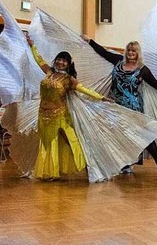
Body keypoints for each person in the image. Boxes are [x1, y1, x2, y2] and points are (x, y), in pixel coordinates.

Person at [84, 36, 157, 175]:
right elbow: (103, 52)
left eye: (134, 51)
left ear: (138, 53)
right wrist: (90, 41)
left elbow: (156, 84)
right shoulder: (118, 61)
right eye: (129, 50)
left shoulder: (142, 69)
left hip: (133, 106)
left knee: (144, 135)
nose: (130, 53)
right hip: (116, 105)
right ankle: (126, 163)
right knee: (120, 136)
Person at [26, 36, 111, 180]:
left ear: (68, 64)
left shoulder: (69, 80)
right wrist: (32, 46)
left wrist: (101, 97)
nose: (60, 62)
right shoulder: (49, 72)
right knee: (47, 143)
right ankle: (50, 172)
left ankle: (91, 166)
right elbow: (38, 59)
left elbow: (84, 89)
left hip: (60, 115)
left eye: (64, 61)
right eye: (59, 59)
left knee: (70, 141)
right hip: (42, 114)